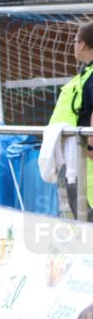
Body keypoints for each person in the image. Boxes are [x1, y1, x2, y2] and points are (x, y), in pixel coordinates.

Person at [40, 21, 92, 221]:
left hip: (87, 158)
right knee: (80, 215)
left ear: (84, 45)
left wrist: (91, 148)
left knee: (86, 215)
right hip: (77, 158)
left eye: (75, 41)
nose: (74, 45)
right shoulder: (85, 74)